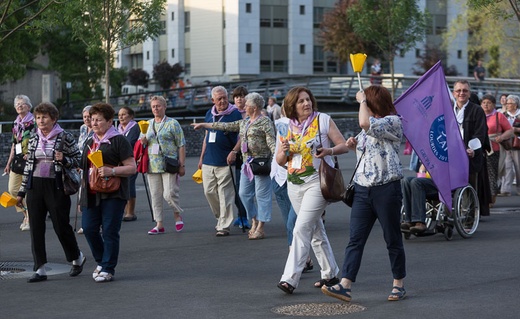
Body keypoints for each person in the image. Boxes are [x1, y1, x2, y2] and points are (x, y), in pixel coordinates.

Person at [322, 85, 406, 302]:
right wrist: (352, 146)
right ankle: (345, 284)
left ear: (374, 102)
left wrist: (361, 101)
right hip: (362, 188)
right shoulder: (370, 124)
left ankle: (398, 282)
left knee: (392, 237)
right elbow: (367, 142)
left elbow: (365, 123)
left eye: (367, 101)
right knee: (355, 238)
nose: (364, 104)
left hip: (386, 187)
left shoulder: (393, 121)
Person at [276, 86, 349, 294]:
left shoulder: (323, 120)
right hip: (294, 183)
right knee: (316, 230)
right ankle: (330, 273)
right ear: (292, 106)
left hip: (317, 183)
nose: (306, 104)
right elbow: (280, 161)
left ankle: (290, 278)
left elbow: (344, 145)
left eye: (308, 99)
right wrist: (284, 151)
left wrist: (329, 150)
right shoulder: (286, 127)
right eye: (301, 101)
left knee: (301, 228)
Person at [16, 102, 85, 283]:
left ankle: (77, 257)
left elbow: (79, 160)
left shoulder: (64, 137)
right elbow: (28, 167)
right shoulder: (33, 138)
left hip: (56, 185)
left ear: (54, 119)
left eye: (44, 117)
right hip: (35, 186)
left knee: (61, 226)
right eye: (38, 117)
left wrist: (65, 159)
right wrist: (21, 192)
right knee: (36, 228)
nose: (40, 121)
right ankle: (39, 268)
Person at [192, 92, 275, 240]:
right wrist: (204, 124)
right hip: (247, 164)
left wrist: (277, 160)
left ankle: (260, 227)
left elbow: (271, 143)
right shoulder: (245, 122)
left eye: (247, 104)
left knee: (262, 196)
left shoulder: (265, 122)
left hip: (261, 163)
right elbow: (224, 125)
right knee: (243, 194)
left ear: (255, 108)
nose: (244, 106)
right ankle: (254, 218)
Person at [80, 103, 136, 282]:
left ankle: (108, 268)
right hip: (91, 191)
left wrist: (111, 171)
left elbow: (132, 167)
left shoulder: (118, 140)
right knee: (89, 229)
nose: (94, 123)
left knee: (110, 231)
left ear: (110, 121)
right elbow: (84, 168)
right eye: (92, 119)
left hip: (114, 192)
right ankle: (102, 261)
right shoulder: (90, 141)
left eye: (98, 120)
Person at [196, 86, 243, 236]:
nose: (223, 101)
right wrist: (201, 157)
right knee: (209, 191)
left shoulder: (235, 113)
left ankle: (224, 225)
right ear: (213, 100)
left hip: (226, 161)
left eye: (224, 97)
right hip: (209, 159)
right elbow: (206, 136)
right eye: (219, 98)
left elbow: (243, 136)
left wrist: (234, 151)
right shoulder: (209, 113)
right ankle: (221, 216)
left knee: (225, 194)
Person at [141, 96, 186, 234]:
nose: (156, 108)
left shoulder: (173, 123)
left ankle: (177, 214)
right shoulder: (147, 124)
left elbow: (181, 144)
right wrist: (142, 141)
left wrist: (182, 164)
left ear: (164, 107)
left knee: (169, 193)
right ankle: (159, 223)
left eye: (158, 106)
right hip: (152, 164)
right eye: (153, 106)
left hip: (169, 163)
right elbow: (141, 144)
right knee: (155, 195)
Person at [452, 80, 491, 216]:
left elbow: (480, 133)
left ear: (469, 93)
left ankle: (468, 217)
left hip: (469, 156)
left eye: (465, 90)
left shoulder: (477, 110)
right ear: (454, 93)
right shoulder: (448, 109)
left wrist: (472, 148)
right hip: (451, 155)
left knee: (469, 186)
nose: (461, 93)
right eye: (458, 90)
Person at [5, 95, 35, 231]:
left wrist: (31, 153)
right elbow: (14, 144)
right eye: (17, 104)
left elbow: (40, 140)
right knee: (13, 190)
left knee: (27, 191)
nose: (19, 106)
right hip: (16, 161)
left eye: (22, 104)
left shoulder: (34, 122)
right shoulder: (16, 123)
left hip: (29, 161)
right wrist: (8, 162)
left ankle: (29, 217)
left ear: (29, 106)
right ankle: (25, 214)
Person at [481, 95, 513, 205]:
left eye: (488, 102)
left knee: (492, 174)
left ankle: (491, 198)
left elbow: (510, 130)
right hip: (479, 148)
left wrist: (502, 137)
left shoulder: (498, 116)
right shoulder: (479, 115)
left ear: (494, 104)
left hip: (494, 149)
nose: (485, 104)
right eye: (484, 102)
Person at [400, 159, 438, 234]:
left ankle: (420, 221)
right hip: (428, 179)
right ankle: (409, 220)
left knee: (416, 182)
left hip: (441, 183)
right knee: (406, 181)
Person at [230, 86, 250, 228]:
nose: (239, 99)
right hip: (234, 155)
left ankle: (247, 216)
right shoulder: (231, 113)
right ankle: (240, 214)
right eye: (237, 96)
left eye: (242, 96)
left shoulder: (250, 114)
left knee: (246, 188)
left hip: (248, 155)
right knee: (236, 188)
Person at [118, 106, 141, 221]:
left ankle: (130, 212)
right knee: (123, 184)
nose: (121, 117)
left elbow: (131, 142)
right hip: (120, 161)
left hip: (132, 159)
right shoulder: (118, 129)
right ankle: (125, 209)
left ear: (131, 116)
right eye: (119, 115)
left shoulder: (135, 128)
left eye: (124, 114)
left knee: (130, 183)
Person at [76, 105, 94, 234]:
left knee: (91, 194)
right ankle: (85, 222)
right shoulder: (83, 128)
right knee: (82, 194)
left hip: (93, 166)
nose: (87, 119)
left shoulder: (98, 129)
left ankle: (94, 223)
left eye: (89, 116)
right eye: (85, 117)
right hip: (82, 165)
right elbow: (79, 147)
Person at [499, 94, 520, 196]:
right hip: (506, 143)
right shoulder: (503, 115)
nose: (507, 105)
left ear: (516, 105)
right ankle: (505, 189)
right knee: (506, 166)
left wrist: (516, 130)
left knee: (518, 166)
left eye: (510, 103)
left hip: (518, 143)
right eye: (507, 103)